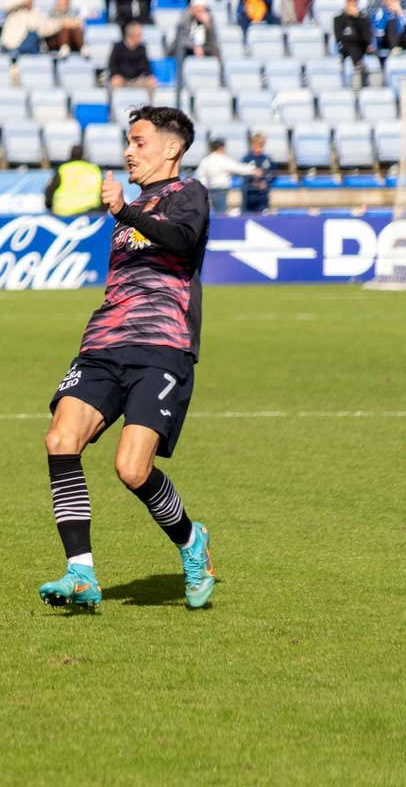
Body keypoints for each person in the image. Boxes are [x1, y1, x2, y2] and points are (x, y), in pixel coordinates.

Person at [38, 105, 214, 612]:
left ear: (171, 148)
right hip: (103, 343)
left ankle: (189, 541)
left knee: (132, 469)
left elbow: (181, 241)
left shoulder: (190, 194)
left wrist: (126, 212)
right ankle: (81, 573)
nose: (128, 151)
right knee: (60, 439)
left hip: (162, 348)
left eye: (139, 142)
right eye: (127, 142)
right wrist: (126, 212)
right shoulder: (129, 207)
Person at [195, 138, 262, 213]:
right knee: (221, 214)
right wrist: (253, 170)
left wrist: (203, 189)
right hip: (221, 191)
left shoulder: (206, 160)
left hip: (210, 191)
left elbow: (200, 175)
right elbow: (238, 168)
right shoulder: (223, 160)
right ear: (221, 148)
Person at [44, 145, 103, 214]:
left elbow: (50, 192)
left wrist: (49, 206)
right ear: (83, 156)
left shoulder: (62, 169)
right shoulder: (94, 169)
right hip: (91, 212)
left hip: (63, 213)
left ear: (70, 155)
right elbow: (104, 191)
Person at [333, 0, 374, 84]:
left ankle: (357, 66)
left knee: (355, 45)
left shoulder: (363, 19)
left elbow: (367, 37)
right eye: (349, 3)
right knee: (352, 44)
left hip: (361, 46)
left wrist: (357, 17)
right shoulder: (338, 19)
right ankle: (358, 65)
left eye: (353, 3)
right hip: (345, 47)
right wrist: (355, 37)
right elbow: (339, 37)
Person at [106, 21, 154, 88]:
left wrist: (150, 75)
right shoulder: (118, 47)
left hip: (137, 79)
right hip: (122, 78)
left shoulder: (142, 48)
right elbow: (112, 64)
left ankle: (150, 98)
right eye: (139, 35)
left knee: (151, 83)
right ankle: (113, 98)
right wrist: (115, 75)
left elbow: (146, 64)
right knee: (115, 82)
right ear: (131, 36)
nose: (141, 37)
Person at [239, 132, 275, 212]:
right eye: (256, 145)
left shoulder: (267, 160)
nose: (258, 148)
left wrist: (266, 183)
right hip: (248, 195)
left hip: (262, 196)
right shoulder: (246, 159)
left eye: (260, 146)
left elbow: (273, 175)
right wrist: (252, 174)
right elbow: (241, 174)